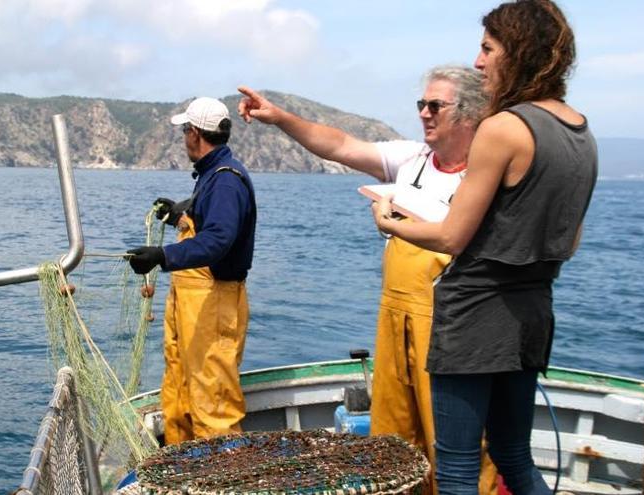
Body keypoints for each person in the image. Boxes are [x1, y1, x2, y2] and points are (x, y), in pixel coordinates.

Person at [238, 66, 498, 495]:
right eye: (421, 104)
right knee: (394, 438)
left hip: (452, 324)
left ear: (468, 114)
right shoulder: (411, 160)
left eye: (435, 105)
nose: (424, 114)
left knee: (457, 442)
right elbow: (339, 145)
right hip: (394, 317)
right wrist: (281, 117)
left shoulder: (486, 176)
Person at [371, 1, 597, 493]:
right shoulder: (581, 131)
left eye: (488, 48)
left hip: (474, 319)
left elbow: (452, 235)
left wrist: (391, 221)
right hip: (531, 318)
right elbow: (569, 241)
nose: (479, 61)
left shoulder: (502, 128)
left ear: (517, 52)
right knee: (514, 457)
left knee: (455, 472)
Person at [126, 97, 257, 445]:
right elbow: (207, 224)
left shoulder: (226, 181)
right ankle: (185, 466)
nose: (184, 138)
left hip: (213, 304)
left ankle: (223, 479)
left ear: (195, 133)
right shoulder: (212, 176)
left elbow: (218, 240)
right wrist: (181, 216)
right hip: (192, 303)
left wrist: (161, 256)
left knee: (212, 401)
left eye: (185, 130)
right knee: (181, 389)